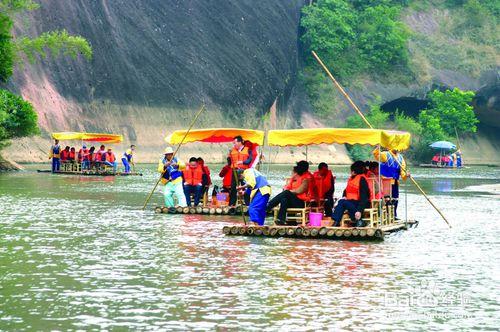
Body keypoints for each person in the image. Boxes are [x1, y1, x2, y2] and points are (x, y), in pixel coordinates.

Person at [267, 160, 314, 225]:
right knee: (284, 199)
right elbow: (287, 187)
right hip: (293, 200)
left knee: (286, 193)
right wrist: (287, 190)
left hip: (302, 202)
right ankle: (281, 220)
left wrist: (289, 192)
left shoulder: (308, 177)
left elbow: (300, 190)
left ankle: (269, 206)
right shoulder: (296, 176)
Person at [331, 161, 371, 227]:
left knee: (342, 202)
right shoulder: (351, 179)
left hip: (360, 203)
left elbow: (364, 197)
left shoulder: (362, 179)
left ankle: (338, 221)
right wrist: (344, 196)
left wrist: (359, 211)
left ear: (354, 171)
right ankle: (337, 221)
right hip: (351, 202)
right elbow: (346, 191)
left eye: (352, 170)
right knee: (342, 201)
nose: (351, 172)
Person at [373, 148, 408, 218]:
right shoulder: (386, 154)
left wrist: (406, 175)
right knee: (387, 199)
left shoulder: (401, 158)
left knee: (395, 199)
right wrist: (378, 147)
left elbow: (402, 172)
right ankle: (386, 215)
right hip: (385, 181)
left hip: (395, 181)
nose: (397, 149)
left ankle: (394, 215)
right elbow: (376, 155)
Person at [228, 136, 253, 206]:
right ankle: (232, 204)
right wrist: (228, 157)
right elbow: (229, 163)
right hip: (235, 170)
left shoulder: (248, 150)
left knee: (245, 186)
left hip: (244, 171)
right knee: (233, 188)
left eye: (235, 142)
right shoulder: (232, 151)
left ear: (240, 142)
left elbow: (249, 161)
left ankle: (247, 204)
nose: (234, 144)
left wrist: (242, 162)